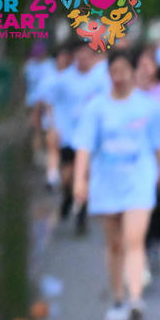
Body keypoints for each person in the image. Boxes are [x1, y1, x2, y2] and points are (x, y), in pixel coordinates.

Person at [71, 49, 160, 320]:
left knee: (133, 240)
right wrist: (80, 180)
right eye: (114, 71)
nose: (119, 77)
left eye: (124, 70)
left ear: (134, 71)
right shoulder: (97, 108)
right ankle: (117, 297)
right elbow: (84, 147)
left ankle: (135, 297)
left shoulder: (148, 107)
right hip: (106, 182)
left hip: (139, 181)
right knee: (114, 244)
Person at [46, 43, 108, 230]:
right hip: (68, 135)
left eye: (87, 56)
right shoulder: (63, 80)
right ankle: (67, 196)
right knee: (68, 175)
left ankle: (82, 214)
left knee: (85, 174)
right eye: (80, 56)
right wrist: (53, 127)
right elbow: (51, 103)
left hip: (89, 137)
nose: (83, 60)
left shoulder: (100, 79)